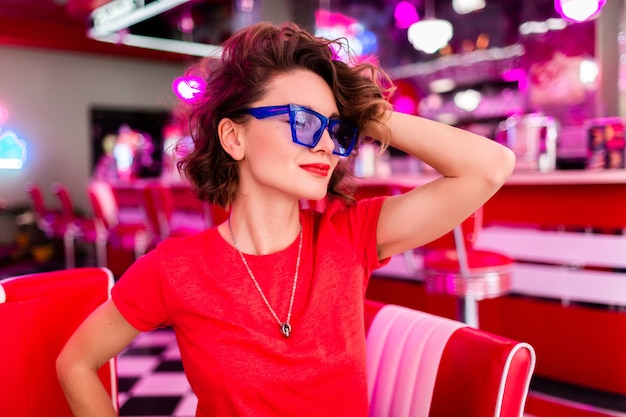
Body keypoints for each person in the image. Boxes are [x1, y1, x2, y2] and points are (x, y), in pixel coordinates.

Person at [56, 21, 515, 416]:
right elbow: (75, 362)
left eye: (335, 129)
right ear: (234, 138)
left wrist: (367, 113)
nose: (324, 146)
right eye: (303, 120)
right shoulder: (175, 267)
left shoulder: (351, 235)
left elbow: (489, 167)